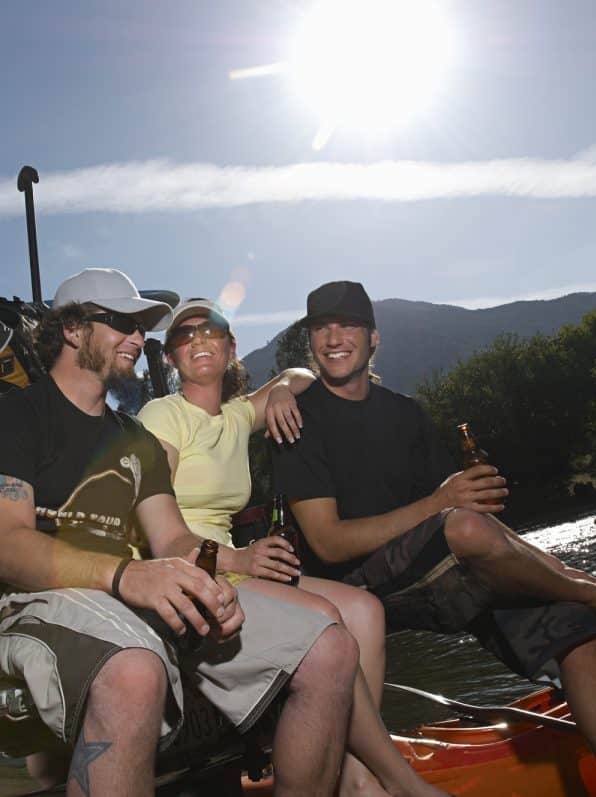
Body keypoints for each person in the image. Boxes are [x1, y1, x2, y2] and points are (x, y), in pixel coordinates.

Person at [272, 279, 596, 797]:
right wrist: (443, 505)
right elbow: (329, 545)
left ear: (373, 338)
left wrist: (465, 508)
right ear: (311, 341)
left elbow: (452, 515)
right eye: (322, 328)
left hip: (436, 571)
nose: (334, 337)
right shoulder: (298, 419)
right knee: (465, 525)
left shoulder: (406, 413)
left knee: (576, 628)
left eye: (348, 325)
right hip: (356, 586)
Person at [0, 268, 362, 797]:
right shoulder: (13, 416)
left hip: (127, 594)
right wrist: (127, 575)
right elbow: (4, 547)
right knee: (135, 670)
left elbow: (172, 540)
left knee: (330, 649)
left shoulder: (133, 437)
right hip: (34, 598)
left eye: (142, 328)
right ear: (71, 329)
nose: (138, 339)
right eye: (122, 324)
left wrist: (208, 577)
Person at [138, 298, 444, 797]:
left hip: (234, 563)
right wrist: (238, 557)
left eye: (210, 330)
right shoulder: (163, 415)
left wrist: (279, 388)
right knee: (326, 619)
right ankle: (395, 780)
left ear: (230, 346)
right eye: (183, 335)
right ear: (171, 358)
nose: (197, 339)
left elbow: (305, 373)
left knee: (365, 611)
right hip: (191, 568)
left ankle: (353, 771)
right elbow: (158, 529)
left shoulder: (237, 416)